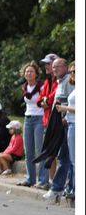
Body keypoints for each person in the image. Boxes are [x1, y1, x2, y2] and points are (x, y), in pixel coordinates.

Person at [43, 58, 74, 201]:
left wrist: (64, 116)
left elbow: (71, 102)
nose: (54, 69)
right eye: (53, 67)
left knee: (65, 157)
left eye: (57, 67)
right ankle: (63, 187)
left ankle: (57, 188)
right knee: (62, 155)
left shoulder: (69, 81)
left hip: (68, 124)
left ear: (65, 67)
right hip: (60, 124)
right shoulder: (59, 82)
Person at [16, 61, 47, 187]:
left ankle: (43, 180)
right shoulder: (24, 87)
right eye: (27, 71)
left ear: (36, 74)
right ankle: (30, 179)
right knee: (28, 151)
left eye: (31, 71)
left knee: (39, 150)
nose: (29, 73)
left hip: (39, 118)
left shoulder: (42, 86)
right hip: (27, 119)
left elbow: (45, 101)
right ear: (24, 74)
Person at [36, 53, 59, 188]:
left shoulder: (59, 81)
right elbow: (40, 100)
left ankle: (56, 182)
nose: (46, 66)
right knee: (49, 153)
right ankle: (51, 182)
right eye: (45, 64)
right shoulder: (46, 81)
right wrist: (44, 101)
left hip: (56, 121)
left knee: (57, 153)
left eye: (48, 64)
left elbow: (50, 99)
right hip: (47, 120)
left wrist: (45, 101)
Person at [55, 61, 75, 200]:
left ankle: (71, 188)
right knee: (72, 160)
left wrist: (64, 109)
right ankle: (71, 188)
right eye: (72, 71)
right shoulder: (74, 87)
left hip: (74, 125)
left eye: (75, 72)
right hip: (70, 123)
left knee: (73, 160)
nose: (72, 74)